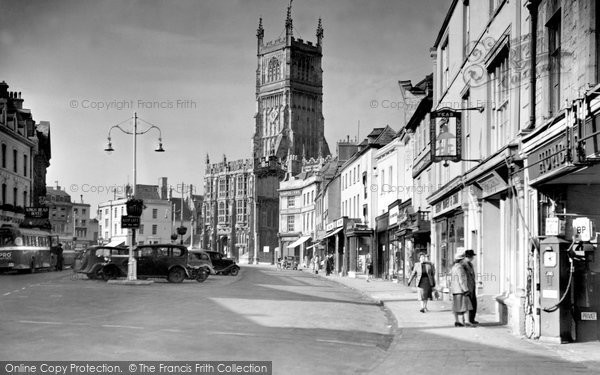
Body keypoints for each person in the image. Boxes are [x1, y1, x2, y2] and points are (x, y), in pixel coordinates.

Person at [451, 251, 472, 327]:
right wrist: (466, 290)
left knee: (456, 307)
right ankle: (467, 321)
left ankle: (457, 321)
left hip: (455, 290)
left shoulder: (453, 267)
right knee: (466, 306)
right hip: (461, 290)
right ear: (461, 259)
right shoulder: (460, 268)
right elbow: (461, 280)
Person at [462, 249, 478, 325]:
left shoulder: (470, 264)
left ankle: (472, 319)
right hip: (467, 287)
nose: (473, 258)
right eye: (472, 256)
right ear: (469, 257)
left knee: (473, 303)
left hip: (472, 286)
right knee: (467, 304)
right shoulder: (463, 265)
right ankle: (466, 320)